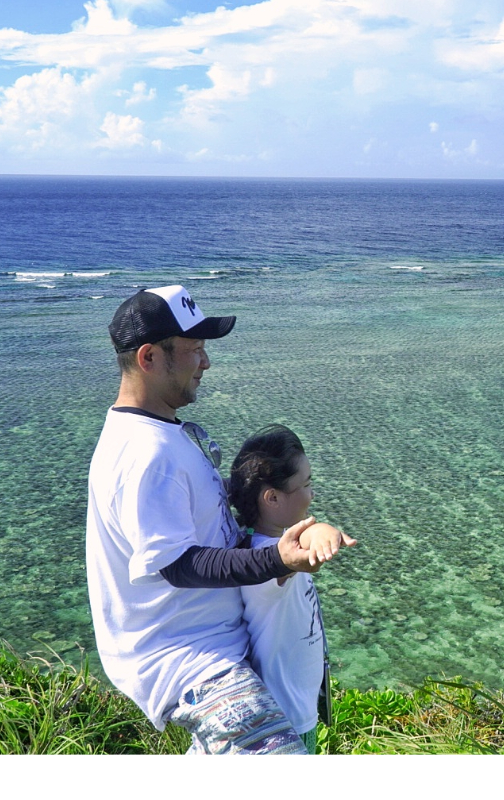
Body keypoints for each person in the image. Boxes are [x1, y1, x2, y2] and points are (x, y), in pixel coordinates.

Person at [85, 285, 354, 755]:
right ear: (149, 357)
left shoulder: (163, 434)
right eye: (194, 350)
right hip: (188, 659)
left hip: (217, 645)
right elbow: (179, 565)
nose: (205, 362)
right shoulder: (146, 453)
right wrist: (277, 560)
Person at [227, 425, 331, 755]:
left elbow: (303, 539)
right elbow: (301, 551)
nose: (312, 494)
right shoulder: (265, 563)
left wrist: (319, 530)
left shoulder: (261, 549)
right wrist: (324, 532)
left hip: (294, 711)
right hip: (286, 720)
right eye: (306, 485)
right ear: (272, 498)